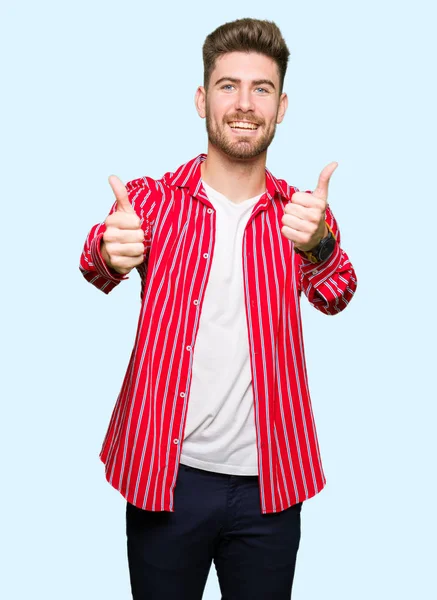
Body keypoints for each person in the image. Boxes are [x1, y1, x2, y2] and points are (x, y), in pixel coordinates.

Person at [80, 17, 357, 600]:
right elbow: (95, 262)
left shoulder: (300, 216)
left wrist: (321, 244)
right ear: (203, 99)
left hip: (270, 488)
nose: (244, 104)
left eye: (261, 89)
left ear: (281, 107)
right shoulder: (153, 199)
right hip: (165, 478)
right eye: (228, 86)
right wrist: (110, 247)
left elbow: (338, 295)